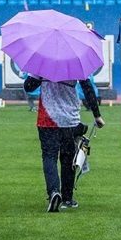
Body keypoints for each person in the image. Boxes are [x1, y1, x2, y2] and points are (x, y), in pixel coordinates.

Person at [24, 73, 104, 211]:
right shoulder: (75, 62)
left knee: (49, 156)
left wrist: (42, 77)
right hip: (69, 120)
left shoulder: (43, 63)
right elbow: (87, 88)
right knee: (68, 158)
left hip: (47, 120)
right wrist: (97, 115)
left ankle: (54, 192)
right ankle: (67, 198)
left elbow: (28, 87)